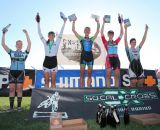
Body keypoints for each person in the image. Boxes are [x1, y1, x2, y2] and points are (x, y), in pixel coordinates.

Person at [1, 27, 31, 112]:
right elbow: (3, 44)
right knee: (11, 90)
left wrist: (26, 34)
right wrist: (4, 34)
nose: (19, 45)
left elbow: (29, 44)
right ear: (15, 45)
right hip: (12, 73)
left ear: (22, 45)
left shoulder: (25, 53)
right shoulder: (12, 52)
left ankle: (19, 107)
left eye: (21, 44)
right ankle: (11, 107)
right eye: (18, 43)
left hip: (21, 73)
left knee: (19, 90)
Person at [36, 13, 67, 88]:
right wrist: (38, 23)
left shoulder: (57, 42)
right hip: (46, 61)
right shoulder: (45, 42)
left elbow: (61, 33)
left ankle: (53, 98)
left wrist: (64, 22)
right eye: (50, 35)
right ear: (48, 36)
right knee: (46, 81)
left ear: (54, 36)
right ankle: (46, 97)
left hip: (54, 61)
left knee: (53, 81)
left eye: (52, 35)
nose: (51, 36)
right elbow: (39, 33)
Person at [72, 17, 100, 88]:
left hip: (90, 57)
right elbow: (73, 30)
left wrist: (97, 22)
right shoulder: (81, 38)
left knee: (89, 74)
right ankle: (81, 90)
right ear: (84, 31)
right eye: (86, 30)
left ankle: (88, 89)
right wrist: (74, 22)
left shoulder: (92, 39)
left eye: (88, 30)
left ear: (90, 32)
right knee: (82, 74)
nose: (87, 31)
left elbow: (97, 31)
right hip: (83, 57)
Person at [101, 15, 123, 87]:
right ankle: (108, 89)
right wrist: (103, 23)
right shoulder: (105, 42)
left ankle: (116, 90)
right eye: (109, 34)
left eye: (112, 34)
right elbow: (101, 33)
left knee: (116, 75)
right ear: (108, 35)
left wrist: (120, 24)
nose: (110, 35)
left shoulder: (116, 42)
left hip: (116, 59)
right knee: (108, 75)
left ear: (113, 35)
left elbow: (121, 34)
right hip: (109, 59)